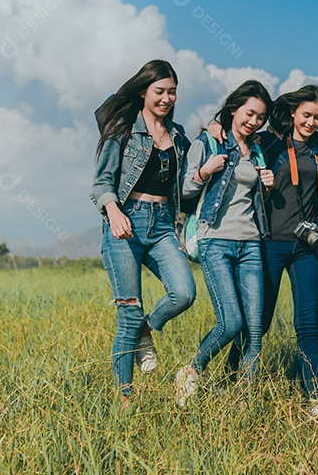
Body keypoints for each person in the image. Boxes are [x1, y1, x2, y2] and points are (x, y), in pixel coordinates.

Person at [217, 84, 318, 409]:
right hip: (268, 243)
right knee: (259, 322)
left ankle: (315, 399)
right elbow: (234, 142)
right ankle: (227, 385)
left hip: (306, 248)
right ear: (295, 112)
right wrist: (215, 127)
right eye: (307, 115)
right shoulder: (268, 141)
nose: (312, 122)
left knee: (308, 326)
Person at [90, 59, 197, 402]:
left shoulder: (178, 136)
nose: (166, 98)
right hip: (125, 222)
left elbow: (185, 185)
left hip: (163, 224)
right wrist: (113, 209)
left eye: (172, 92)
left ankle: (146, 330)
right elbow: (102, 181)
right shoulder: (122, 129)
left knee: (184, 293)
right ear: (143, 91)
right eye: (159, 91)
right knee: (128, 311)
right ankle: (124, 398)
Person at [174, 80, 277, 406]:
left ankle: (241, 401)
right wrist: (203, 172)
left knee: (255, 331)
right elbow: (183, 194)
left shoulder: (258, 149)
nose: (254, 121)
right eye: (249, 113)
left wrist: (268, 186)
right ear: (234, 109)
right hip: (215, 241)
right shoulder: (208, 142)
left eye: (260, 117)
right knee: (231, 322)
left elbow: (252, 200)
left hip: (250, 245)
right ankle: (192, 370)